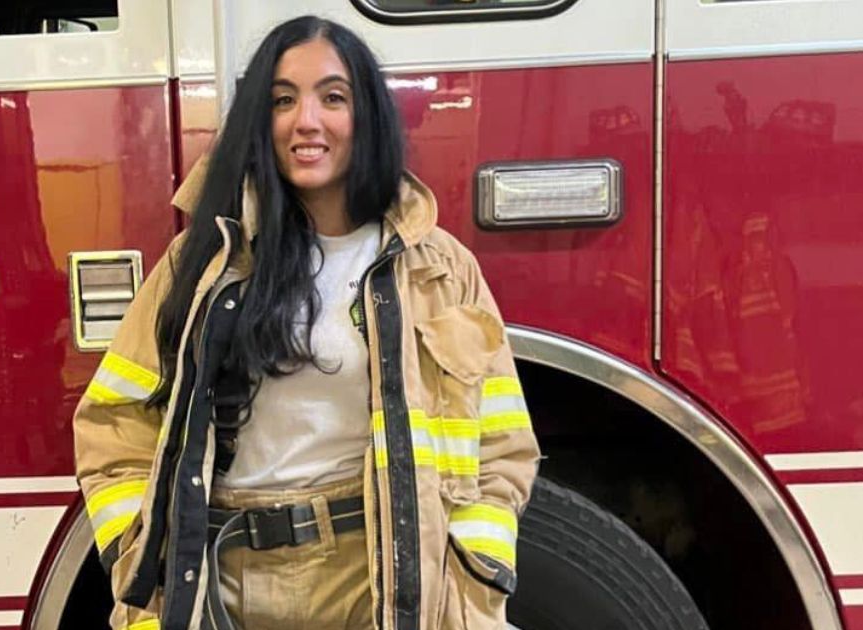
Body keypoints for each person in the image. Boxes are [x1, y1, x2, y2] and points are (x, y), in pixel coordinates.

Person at [74, 15, 540, 630]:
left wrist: (472, 579)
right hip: (224, 580)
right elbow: (113, 424)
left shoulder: (442, 270)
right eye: (283, 100)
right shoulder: (203, 264)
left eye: (333, 97)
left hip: (377, 576)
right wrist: (140, 557)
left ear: (365, 115)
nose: (307, 121)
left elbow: (502, 444)